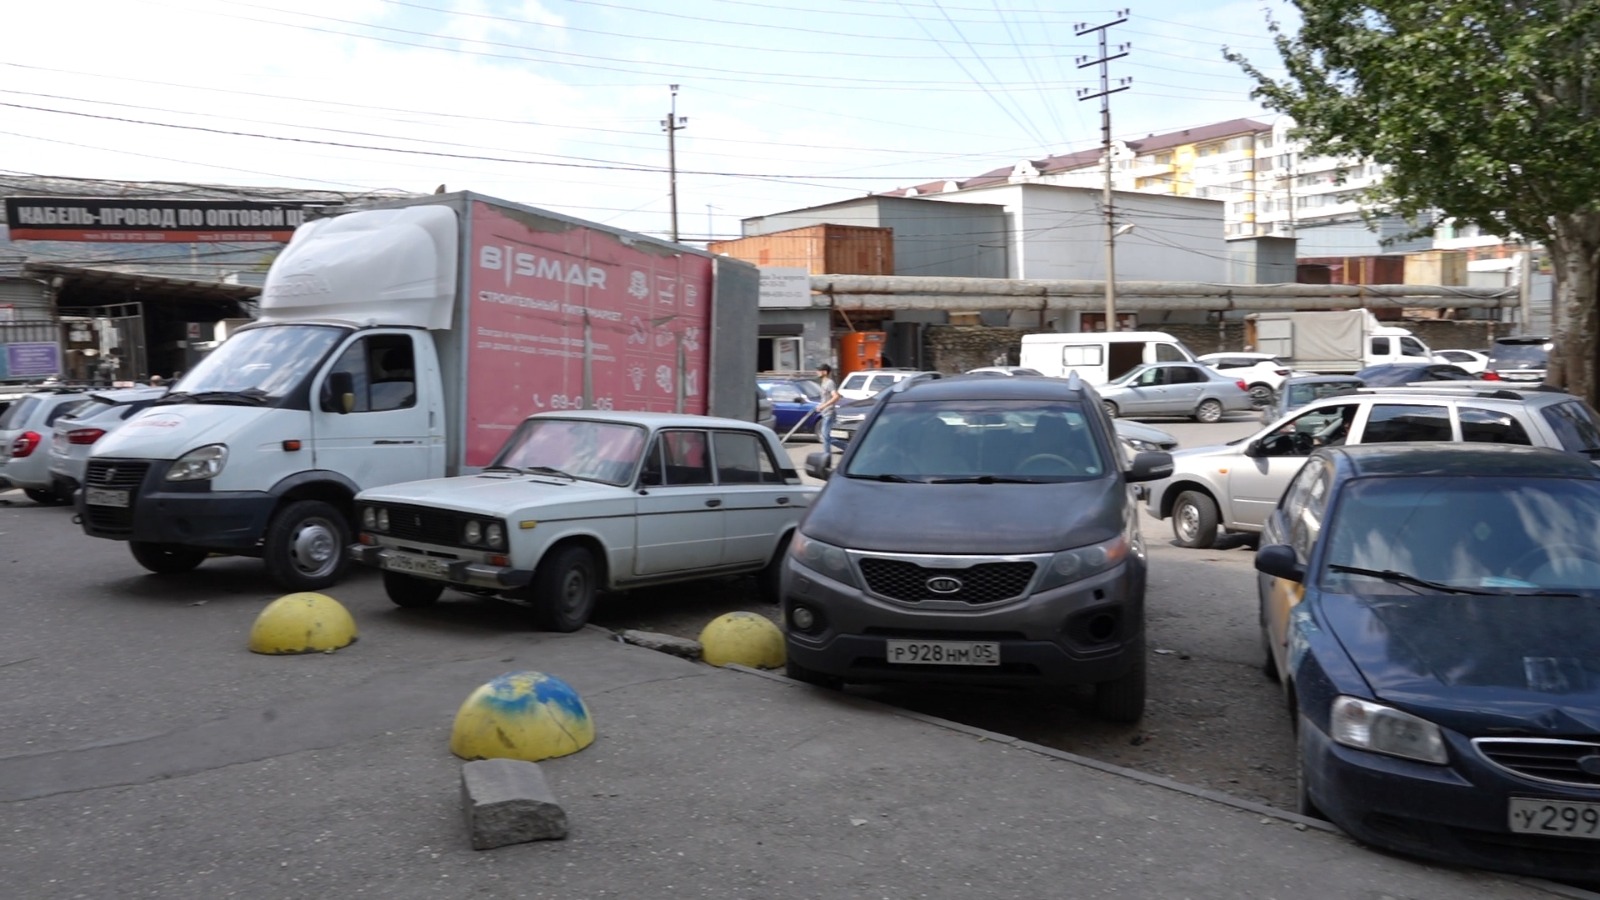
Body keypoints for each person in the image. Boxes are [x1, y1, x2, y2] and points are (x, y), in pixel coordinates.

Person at [815, 363, 841, 463]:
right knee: (827, 436)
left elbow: (836, 396)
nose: (817, 372)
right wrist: (820, 406)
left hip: (829, 413)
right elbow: (825, 398)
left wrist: (823, 406)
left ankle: (826, 460)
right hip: (825, 412)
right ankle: (849, 448)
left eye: (819, 370)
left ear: (825, 372)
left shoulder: (829, 383)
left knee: (825, 437)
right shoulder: (823, 382)